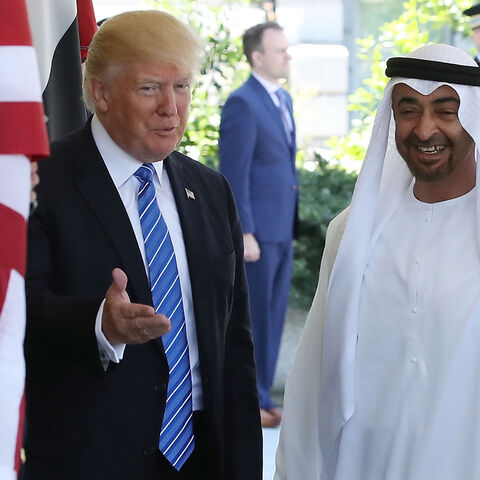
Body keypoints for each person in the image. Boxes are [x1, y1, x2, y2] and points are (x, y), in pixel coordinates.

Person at [24, 10, 262, 480]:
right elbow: (20, 312)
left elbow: (234, 342)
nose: (171, 108)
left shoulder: (210, 189)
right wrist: (99, 324)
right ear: (101, 93)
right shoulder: (43, 182)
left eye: (183, 87)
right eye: (150, 88)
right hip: (90, 459)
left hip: (201, 457)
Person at [275, 43, 480, 479]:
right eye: (409, 110)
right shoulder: (352, 233)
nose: (425, 130)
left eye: (446, 111)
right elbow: (314, 377)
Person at [219, 22, 298, 428]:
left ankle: (263, 395)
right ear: (257, 57)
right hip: (257, 234)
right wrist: (244, 230)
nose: (287, 55)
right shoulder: (242, 103)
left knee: (274, 317)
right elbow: (234, 172)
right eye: (280, 50)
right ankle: (251, 398)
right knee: (255, 320)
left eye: (287, 49)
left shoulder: (282, 98)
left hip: (282, 230)